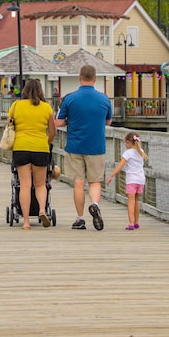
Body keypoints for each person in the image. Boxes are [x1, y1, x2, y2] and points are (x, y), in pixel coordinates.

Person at [55, 65, 113, 231]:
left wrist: (69, 121)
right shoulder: (104, 99)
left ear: (79, 78)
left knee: (79, 182)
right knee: (95, 181)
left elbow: (59, 122)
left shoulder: (70, 99)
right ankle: (94, 204)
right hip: (96, 146)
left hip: (75, 145)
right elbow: (108, 121)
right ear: (94, 79)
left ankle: (80, 219)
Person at [9, 79, 56, 229]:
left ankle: (26, 221)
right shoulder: (46, 108)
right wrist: (46, 142)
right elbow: (53, 132)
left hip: (21, 146)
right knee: (41, 184)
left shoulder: (16, 106)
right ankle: (42, 210)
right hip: (40, 147)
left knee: (25, 185)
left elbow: (10, 126)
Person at [106, 132, 148, 230]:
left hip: (131, 180)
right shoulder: (141, 151)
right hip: (141, 179)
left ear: (129, 142)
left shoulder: (128, 153)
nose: (125, 145)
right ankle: (137, 222)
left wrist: (111, 175)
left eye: (125, 143)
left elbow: (120, 165)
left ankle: (131, 223)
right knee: (136, 201)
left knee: (131, 201)